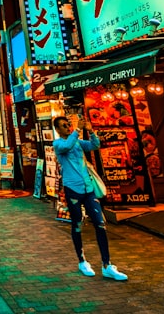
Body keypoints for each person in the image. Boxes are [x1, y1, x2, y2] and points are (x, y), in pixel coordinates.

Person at [53, 114, 128, 281]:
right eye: (64, 126)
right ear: (57, 130)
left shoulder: (77, 141)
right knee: (77, 224)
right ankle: (82, 260)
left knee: (100, 224)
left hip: (88, 188)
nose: (68, 127)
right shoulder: (58, 144)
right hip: (72, 188)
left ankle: (107, 265)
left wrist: (90, 131)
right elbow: (67, 145)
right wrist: (78, 130)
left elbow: (95, 145)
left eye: (68, 125)